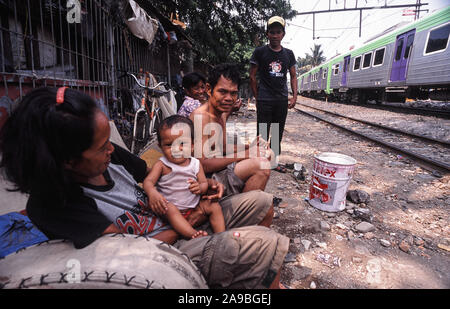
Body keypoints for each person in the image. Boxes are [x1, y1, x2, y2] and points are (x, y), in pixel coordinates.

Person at [0, 87, 289, 289]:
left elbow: (155, 176)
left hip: (179, 219)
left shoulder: (111, 155)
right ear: (67, 161)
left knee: (261, 202)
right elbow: (127, 252)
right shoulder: (55, 203)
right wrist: (188, 222)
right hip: (162, 249)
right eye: (101, 149)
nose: (111, 151)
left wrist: (203, 187)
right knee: (261, 243)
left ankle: (244, 276)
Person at [190, 63, 274, 198]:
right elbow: (202, 165)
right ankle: (242, 210)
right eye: (223, 91)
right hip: (205, 179)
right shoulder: (201, 118)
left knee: (266, 154)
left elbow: (222, 147)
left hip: (218, 167)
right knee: (262, 165)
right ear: (209, 89)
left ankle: (247, 203)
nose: (229, 98)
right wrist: (246, 153)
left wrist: (250, 146)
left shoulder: (221, 112)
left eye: (233, 93)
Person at [144, 115, 225, 239]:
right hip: (168, 212)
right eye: (169, 145)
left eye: (182, 143)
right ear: (160, 146)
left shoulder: (195, 164)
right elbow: (148, 181)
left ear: (192, 145)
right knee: (169, 207)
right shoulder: (162, 165)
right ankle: (193, 234)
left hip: (193, 209)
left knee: (213, 205)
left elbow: (204, 183)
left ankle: (221, 236)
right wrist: (152, 193)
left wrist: (200, 187)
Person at [249, 16, 298, 173]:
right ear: (267, 34)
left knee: (277, 132)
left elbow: (294, 75)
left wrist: (295, 96)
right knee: (262, 132)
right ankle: (260, 161)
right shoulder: (260, 52)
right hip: (265, 99)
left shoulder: (289, 54)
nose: (275, 35)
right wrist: (257, 96)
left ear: (283, 34)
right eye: (272, 32)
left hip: (281, 100)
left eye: (278, 32)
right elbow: (252, 76)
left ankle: (273, 162)